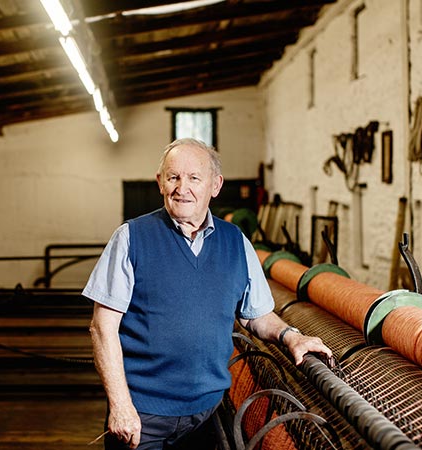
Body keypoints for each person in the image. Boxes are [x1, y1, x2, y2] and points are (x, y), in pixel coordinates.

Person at [84, 138, 332, 449]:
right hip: (142, 415)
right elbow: (102, 327)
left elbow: (257, 316)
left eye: (194, 178)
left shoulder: (236, 242)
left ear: (215, 185)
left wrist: (291, 336)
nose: (181, 188)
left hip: (206, 414)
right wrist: (120, 406)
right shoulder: (131, 238)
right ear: (160, 183)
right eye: (173, 177)